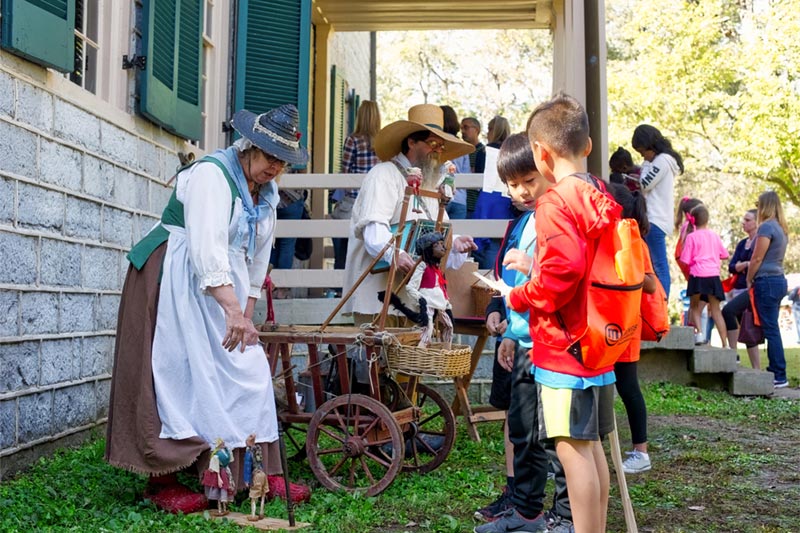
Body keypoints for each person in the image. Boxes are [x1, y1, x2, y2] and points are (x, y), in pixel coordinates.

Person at [105, 105, 310, 513]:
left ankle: (255, 468)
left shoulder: (266, 196)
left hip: (222, 284)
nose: (274, 168)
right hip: (174, 275)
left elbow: (255, 261)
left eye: (282, 162)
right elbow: (205, 249)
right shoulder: (211, 176)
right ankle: (161, 477)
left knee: (245, 365)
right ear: (250, 146)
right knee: (175, 368)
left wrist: (244, 315)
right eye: (269, 156)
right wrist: (232, 310)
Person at [501, 93, 618, 533]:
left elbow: (562, 271)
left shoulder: (555, 201)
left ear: (540, 153)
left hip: (563, 347)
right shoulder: (597, 191)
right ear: (587, 147)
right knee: (592, 449)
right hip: (597, 339)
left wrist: (520, 297)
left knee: (571, 452)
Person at [474, 133, 572, 533]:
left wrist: (533, 264)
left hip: (556, 344)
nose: (521, 192)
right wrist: (510, 332)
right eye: (513, 186)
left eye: (528, 180)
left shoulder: (558, 216)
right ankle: (526, 511)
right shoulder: (522, 223)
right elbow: (511, 284)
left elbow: (562, 277)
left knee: (561, 440)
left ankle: (566, 517)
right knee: (524, 432)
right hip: (524, 342)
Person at [341, 103, 477, 324]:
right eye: (433, 143)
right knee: (377, 358)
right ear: (411, 142)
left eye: (441, 146)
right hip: (379, 298)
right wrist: (394, 253)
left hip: (417, 303)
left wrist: (455, 244)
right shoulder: (383, 175)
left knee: (414, 360)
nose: (438, 151)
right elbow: (374, 229)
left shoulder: (432, 186)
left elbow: (437, 238)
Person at [606, 183, 657, 475]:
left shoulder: (635, 241)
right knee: (604, 387)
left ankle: (641, 452)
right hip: (605, 323)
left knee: (628, 386)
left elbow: (650, 282)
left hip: (625, 325)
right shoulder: (608, 237)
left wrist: (623, 273)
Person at [632, 124, 684, 299]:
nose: (642, 156)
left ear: (649, 146)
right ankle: (659, 305)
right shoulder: (664, 161)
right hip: (657, 220)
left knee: (658, 266)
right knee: (655, 265)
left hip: (655, 220)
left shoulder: (661, 161)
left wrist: (646, 164)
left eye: (642, 152)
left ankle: (661, 305)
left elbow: (645, 184)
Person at [746, 191, 789, 388]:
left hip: (766, 281)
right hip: (778, 279)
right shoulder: (781, 228)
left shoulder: (766, 228)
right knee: (772, 327)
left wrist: (749, 277)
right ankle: (777, 370)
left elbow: (756, 258)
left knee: (771, 328)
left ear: (765, 206)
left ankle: (778, 373)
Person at [333, 100, 381, 269]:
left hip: (353, 201)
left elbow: (345, 173)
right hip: (375, 202)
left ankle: (339, 288)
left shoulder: (353, 140)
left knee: (342, 248)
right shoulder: (383, 143)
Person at [679, 204, 730, 346]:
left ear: (693, 220)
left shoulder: (691, 237)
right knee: (716, 310)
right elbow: (724, 254)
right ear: (707, 219)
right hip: (713, 276)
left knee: (694, 306)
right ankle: (725, 344)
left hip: (697, 275)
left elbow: (685, 259)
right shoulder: (714, 236)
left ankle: (700, 334)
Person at [472, 115, 516, 269]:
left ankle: (486, 284)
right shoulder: (513, 151)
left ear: (493, 130)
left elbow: (477, 176)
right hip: (506, 203)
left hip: (487, 203)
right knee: (499, 244)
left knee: (483, 248)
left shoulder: (484, 151)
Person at [721, 209, 760, 367]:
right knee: (745, 325)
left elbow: (756, 263)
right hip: (737, 288)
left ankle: (733, 354)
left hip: (750, 289)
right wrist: (744, 265)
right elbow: (731, 266)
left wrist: (744, 266)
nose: (744, 222)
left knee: (728, 311)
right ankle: (755, 367)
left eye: (748, 219)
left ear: (757, 222)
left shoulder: (760, 242)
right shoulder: (742, 243)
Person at [404, 231, 453, 348]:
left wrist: (447, 304)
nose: (442, 247)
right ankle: (421, 352)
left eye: (442, 244)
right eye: (437, 245)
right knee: (428, 329)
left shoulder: (437, 269)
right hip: (428, 302)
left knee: (449, 326)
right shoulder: (422, 266)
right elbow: (410, 287)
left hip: (439, 302)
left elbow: (440, 287)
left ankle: (446, 350)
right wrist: (420, 299)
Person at [441, 105, 471, 219]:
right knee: (458, 234)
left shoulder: (435, 143)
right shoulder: (463, 146)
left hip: (441, 195)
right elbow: (467, 174)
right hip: (460, 198)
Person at [201, 439, 234, 516]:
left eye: (223, 443)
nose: (223, 445)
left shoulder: (225, 451)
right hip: (220, 472)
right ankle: (219, 509)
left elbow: (230, 459)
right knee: (220, 490)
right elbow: (214, 468)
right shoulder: (216, 455)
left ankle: (224, 508)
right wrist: (219, 478)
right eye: (221, 444)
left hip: (225, 471)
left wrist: (229, 451)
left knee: (226, 487)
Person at [461, 116, 486, 217]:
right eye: (461, 128)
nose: (462, 131)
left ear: (477, 129)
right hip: (462, 201)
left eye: (466, 127)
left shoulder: (483, 151)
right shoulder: (461, 151)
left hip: (474, 203)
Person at [244, 433, 268, 521]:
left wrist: (247, 480)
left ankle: (253, 515)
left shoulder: (249, 453)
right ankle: (261, 512)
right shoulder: (258, 450)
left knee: (253, 496)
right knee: (262, 493)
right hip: (262, 473)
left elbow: (247, 467)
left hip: (256, 475)